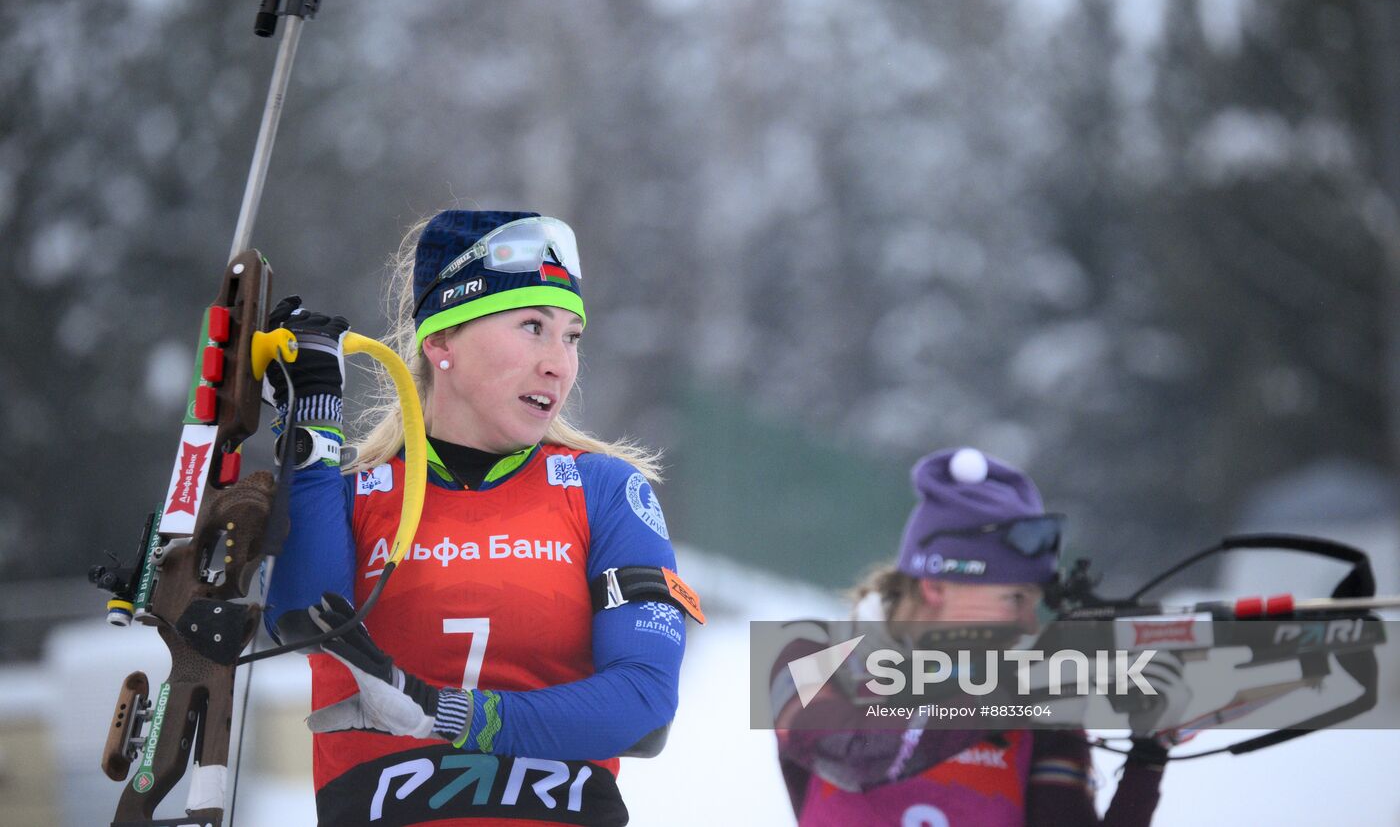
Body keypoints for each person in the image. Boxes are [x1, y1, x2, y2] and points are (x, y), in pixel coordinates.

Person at [261, 210, 701, 827]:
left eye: (571, 336)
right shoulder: (355, 494)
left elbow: (646, 704)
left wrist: (453, 714)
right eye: (532, 327)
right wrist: (309, 429)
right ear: (441, 342)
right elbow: (299, 618)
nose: (560, 364)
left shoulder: (603, 490)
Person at [773, 448, 1179, 826]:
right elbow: (855, 753)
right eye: (1013, 598)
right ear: (936, 586)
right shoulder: (810, 655)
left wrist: (1149, 755)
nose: (1028, 625)